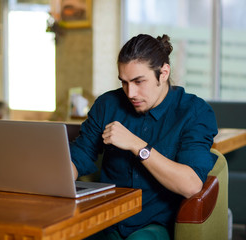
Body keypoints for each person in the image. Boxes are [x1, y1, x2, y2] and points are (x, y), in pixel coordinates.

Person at [69, 34, 218, 240]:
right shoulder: (107, 105)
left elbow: (191, 185)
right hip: (104, 221)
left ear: (163, 73)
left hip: (153, 225)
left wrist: (136, 145)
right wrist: (58, 175)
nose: (130, 93)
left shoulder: (193, 112)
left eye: (139, 81)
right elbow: (80, 155)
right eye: (124, 82)